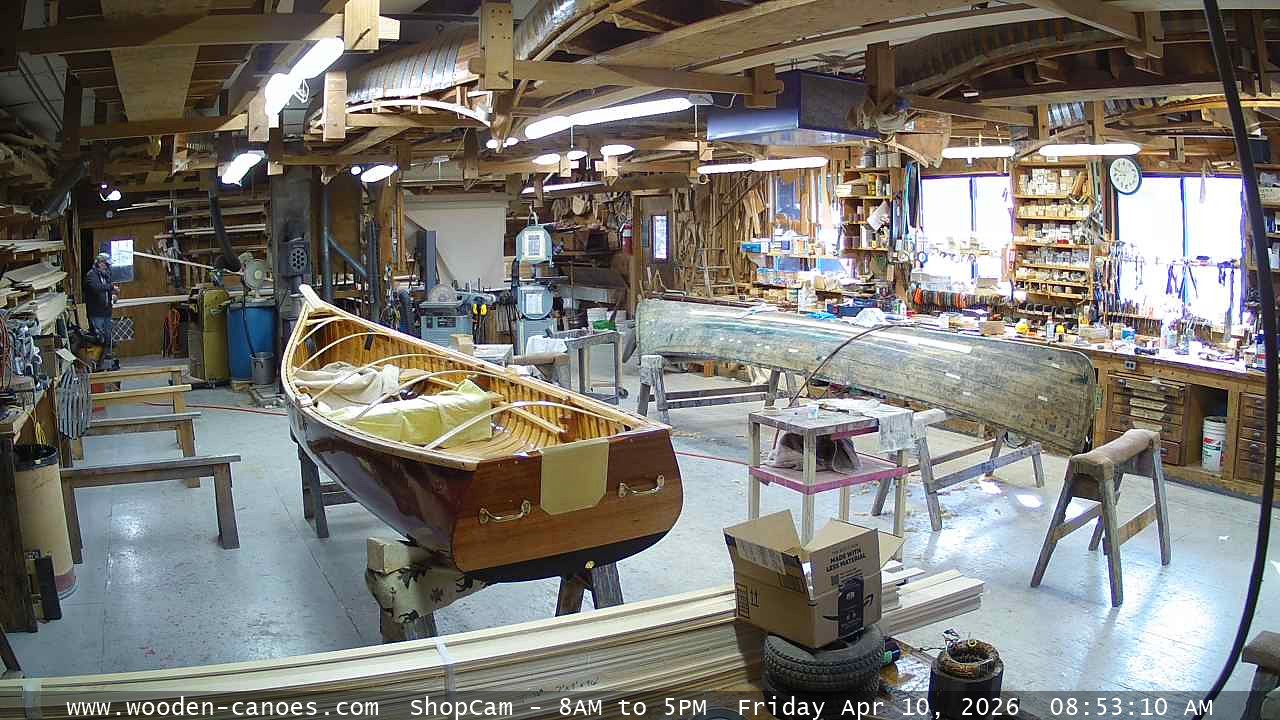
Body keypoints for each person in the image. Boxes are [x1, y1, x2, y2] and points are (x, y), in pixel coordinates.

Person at [84, 252, 119, 358]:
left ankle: (107, 357)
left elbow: (106, 290)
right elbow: (96, 288)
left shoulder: (106, 275)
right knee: (99, 338)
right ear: (100, 263)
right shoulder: (91, 275)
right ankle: (97, 360)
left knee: (108, 337)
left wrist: (112, 296)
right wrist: (111, 287)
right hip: (96, 313)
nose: (108, 267)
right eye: (106, 264)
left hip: (106, 311)